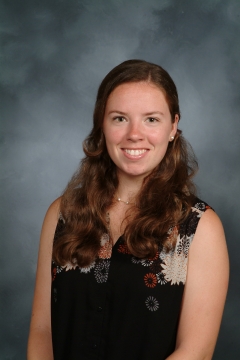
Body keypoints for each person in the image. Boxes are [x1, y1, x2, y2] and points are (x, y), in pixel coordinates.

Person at [27, 60, 229, 360]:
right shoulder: (63, 214)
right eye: (120, 118)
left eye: (151, 119)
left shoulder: (200, 228)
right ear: (102, 124)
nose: (134, 134)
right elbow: (43, 330)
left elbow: (195, 352)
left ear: (173, 126)